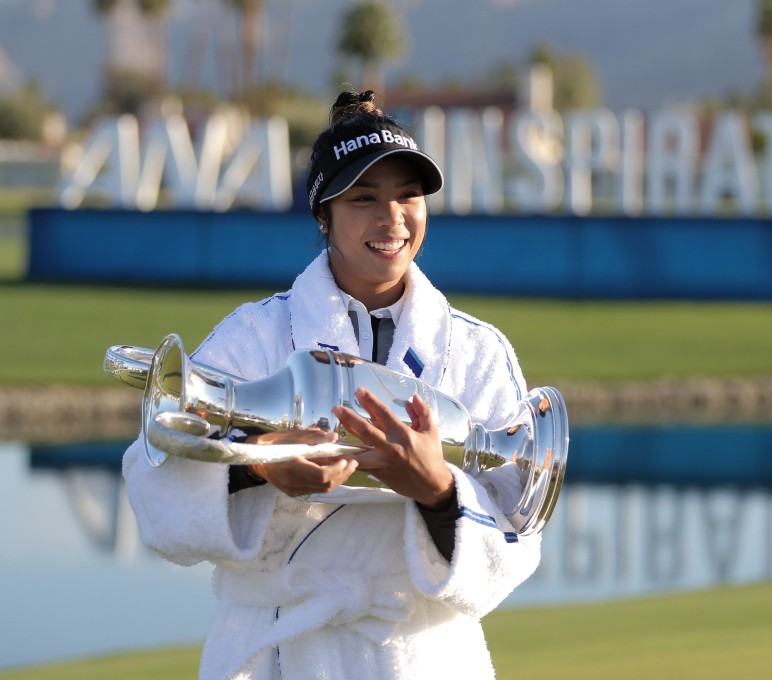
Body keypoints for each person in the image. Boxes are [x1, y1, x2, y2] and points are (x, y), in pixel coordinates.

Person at [122, 89, 541, 680]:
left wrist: (440, 491)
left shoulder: (478, 351)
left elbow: (519, 533)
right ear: (324, 215)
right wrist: (258, 465)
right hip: (274, 651)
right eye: (363, 199)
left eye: (408, 196)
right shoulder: (255, 335)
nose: (391, 217)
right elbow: (152, 487)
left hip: (426, 659)